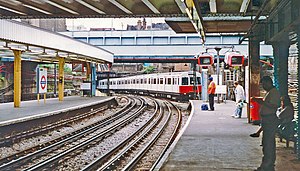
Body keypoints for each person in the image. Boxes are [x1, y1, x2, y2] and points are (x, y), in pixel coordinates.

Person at [252, 76, 280, 171]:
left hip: (270, 119)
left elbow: (275, 105)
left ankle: (268, 166)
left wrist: (262, 103)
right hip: (267, 120)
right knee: (266, 143)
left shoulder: (274, 93)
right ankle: (266, 165)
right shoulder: (270, 92)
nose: (263, 86)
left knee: (268, 144)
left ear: (269, 83)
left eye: (264, 84)